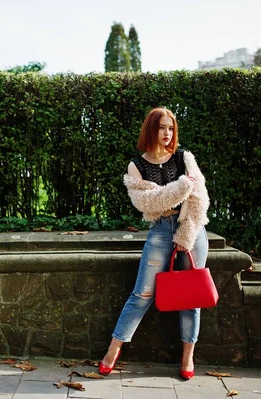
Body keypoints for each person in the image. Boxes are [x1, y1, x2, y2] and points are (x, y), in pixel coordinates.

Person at [98, 107, 210, 380]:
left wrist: (185, 236)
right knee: (142, 294)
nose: (167, 133)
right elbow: (147, 202)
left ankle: (188, 357)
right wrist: (183, 186)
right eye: (161, 127)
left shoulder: (185, 158)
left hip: (191, 229)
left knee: (191, 297)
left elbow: (199, 200)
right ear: (151, 130)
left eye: (171, 128)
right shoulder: (136, 166)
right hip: (160, 231)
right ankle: (113, 350)